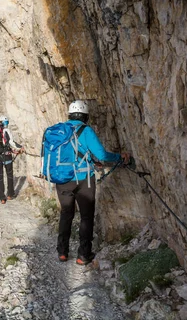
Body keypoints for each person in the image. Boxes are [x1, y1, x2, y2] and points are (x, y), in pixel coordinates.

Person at [55, 100, 130, 265]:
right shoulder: (86, 130)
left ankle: (62, 252)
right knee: (86, 217)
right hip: (83, 179)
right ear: (85, 117)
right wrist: (119, 158)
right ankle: (83, 255)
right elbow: (102, 155)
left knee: (66, 214)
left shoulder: (60, 130)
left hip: (62, 178)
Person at [0, 115, 24, 204]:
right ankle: (10, 194)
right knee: (9, 175)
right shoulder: (6, 130)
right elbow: (11, 142)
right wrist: (20, 148)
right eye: (6, 122)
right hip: (6, 156)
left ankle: (2, 197)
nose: (7, 124)